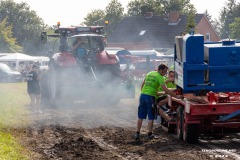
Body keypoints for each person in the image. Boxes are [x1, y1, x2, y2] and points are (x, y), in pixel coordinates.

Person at [134, 64, 182, 140]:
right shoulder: (159, 77)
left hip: (142, 96)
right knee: (151, 116)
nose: (165, 74)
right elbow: (165, 89)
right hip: (150, 97)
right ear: (161, 70)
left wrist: (144, 92)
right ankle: (149, 134)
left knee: (140, 116)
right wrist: (175, 96)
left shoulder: (150, 73)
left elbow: (142, 85)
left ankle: (137, 133)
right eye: (165, 72)